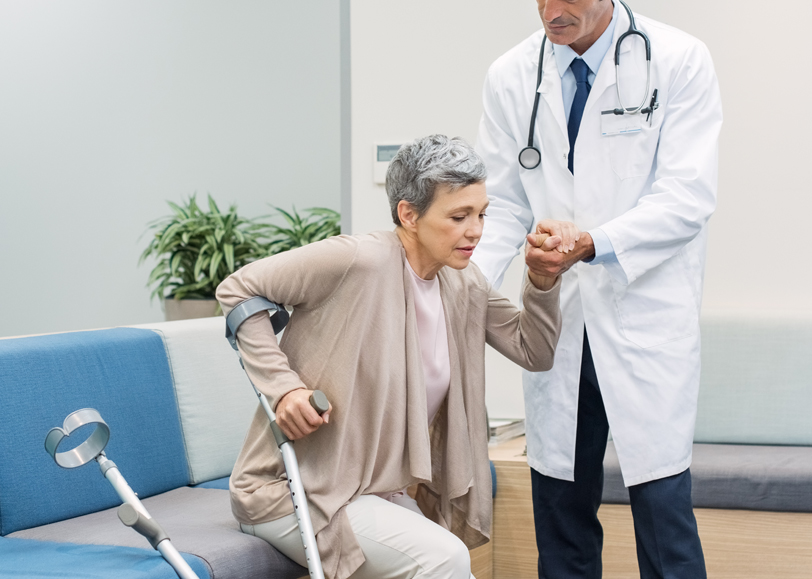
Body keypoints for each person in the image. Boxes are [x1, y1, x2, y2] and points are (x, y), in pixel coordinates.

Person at [472, 0, 722, 577]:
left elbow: (687, 198)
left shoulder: (678, 61)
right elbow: (500, 206)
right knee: (562, 524)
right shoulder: (510, 76)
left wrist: (592, 242)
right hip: (557, 327)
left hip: (642, 319)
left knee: (665, 528)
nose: (549, 10)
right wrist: (462, 291)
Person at [218, 135, 563, 579]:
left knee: (453, 567)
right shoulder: (356, 259)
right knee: (446, 559)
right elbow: (238, 289)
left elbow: (533, 350)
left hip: (376, 491)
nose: (476, 231)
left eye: (481, 215)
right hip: (296, 491)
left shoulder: (463, 284)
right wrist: (284, 390)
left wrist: (542, 278)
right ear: (409, 214)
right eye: (458, 216)